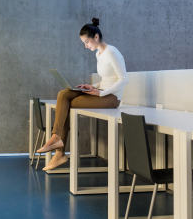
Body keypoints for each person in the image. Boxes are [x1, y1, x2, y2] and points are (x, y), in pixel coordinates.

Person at [37, 18, 129, 171]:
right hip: (101, 92)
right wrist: (92, 86)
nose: (86, 46)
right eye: (84, 43)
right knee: (64, 94)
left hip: (112, 98)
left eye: (87, 42)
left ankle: (58, 150)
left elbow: (124, 80)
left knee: (64, 106)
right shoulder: (99, 54)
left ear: (96, 37)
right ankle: (56, 139)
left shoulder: (112, 52)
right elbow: (107, 79)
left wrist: (100, 93)